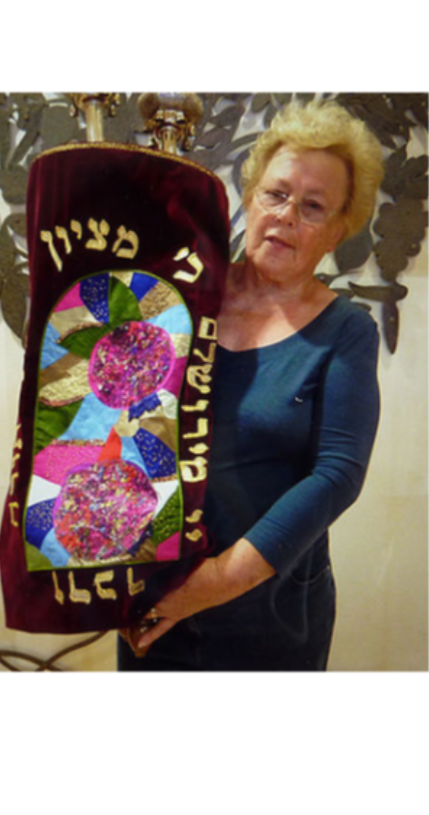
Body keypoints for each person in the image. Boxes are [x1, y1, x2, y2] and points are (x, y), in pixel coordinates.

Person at [122, 100, 383, 673]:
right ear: (249, 196)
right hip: (153, 593)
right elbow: (120, 412)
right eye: (276, 193)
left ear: (340, 229)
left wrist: (216, 581)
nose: (287, 216)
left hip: (269, 620)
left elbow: (338, 474)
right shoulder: (179, 296)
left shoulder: (346, 333)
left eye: (313, 207)